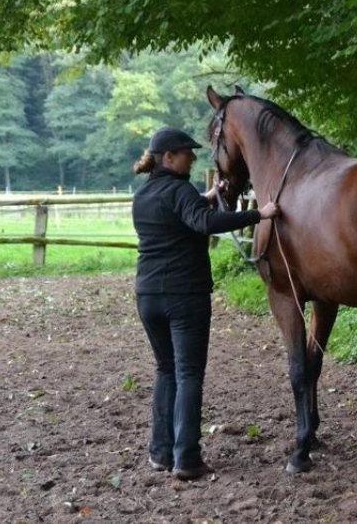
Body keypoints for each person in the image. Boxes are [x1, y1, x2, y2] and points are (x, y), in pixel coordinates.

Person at [131, 126, 279, 480]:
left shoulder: (144, 195)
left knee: (166, 371)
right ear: (168, 157)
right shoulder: (180, 190)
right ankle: (187, 458)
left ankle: (160, 453)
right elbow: (203, 222)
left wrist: (209, 195)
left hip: (148, 295)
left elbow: (183, 214)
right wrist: (259, 214)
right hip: (184, 296)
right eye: (187, 153)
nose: (193, 157)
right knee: (188, 374)